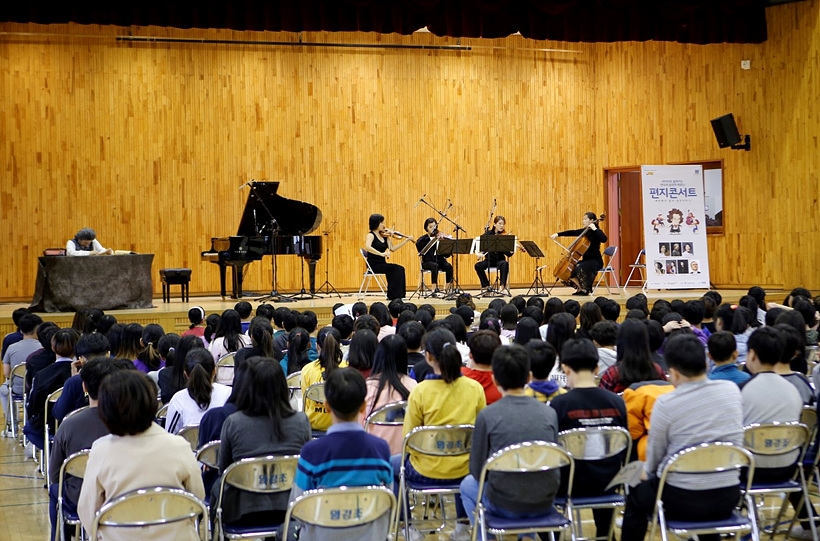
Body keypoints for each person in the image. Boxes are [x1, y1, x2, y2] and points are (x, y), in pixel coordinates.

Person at [621, 334, 743, 541]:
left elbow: (653, 463)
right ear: (706, 361)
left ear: (673, 373)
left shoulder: (666, 403)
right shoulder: (731, 391)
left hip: (682, 499)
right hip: (729, 495)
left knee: (633, 489)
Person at [77, 370, 206, 541]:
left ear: (106, 411)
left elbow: (88, 511)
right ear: (152, 404)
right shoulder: (179, 446)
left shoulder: (101, 451)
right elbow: (197, 499)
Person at [460, 344, 561, 540]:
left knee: (467, 485)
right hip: (545, 500)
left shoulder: (488, 415)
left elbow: (477, 471)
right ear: (528, 378)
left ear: (494, 378)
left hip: (504, 503)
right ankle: (526, 534)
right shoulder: (549, 413)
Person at [397, 328, 486, 541]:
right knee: (462, 458)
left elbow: (408, 439)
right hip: (466, 470)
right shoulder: (475, 388)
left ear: (428, 356)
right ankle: (463, 526)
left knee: (392, 466)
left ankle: (407, 527)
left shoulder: (420, 391)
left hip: (424, 471)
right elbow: (482, 434)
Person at [289, 368, 393, 541]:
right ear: (363, 406)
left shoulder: (312, 453)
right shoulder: (381, 450)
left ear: (327, 406)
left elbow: (298, 508)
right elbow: (387, 501)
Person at [216, 357, 311, 527]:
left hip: (243, 511)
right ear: (283, 386)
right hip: (291, 507)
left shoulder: (233, 422)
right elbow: (307, 468)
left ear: (246, 388)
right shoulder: (301, 421)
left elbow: (224, 471)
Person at [48, 358, 134, 541]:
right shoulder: (133, 423)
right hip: (124, 493)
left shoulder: (69, 424)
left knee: (55, 490)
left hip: (79, 497)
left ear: (84, 387)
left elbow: (55, 474)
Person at [550, 338, 628, 540]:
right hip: (609, 482)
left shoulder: (559, 404)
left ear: (565, 368)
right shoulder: (617, 402)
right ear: (596, 368)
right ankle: (606, 533)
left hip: (569, 485)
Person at [362, 334, 417, 454]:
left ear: (378, 356)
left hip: (374, 457)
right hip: (405, 458)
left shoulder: (368, 387)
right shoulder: (413, 386)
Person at [165, 348, 231, 433]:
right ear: (214, 371)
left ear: (185, 374)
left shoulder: (178, 400)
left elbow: (170, 437)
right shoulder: (229, 394)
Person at [301, 327, 347, 433]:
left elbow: (306, 403)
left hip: (313, 430)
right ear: (339, 345)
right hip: (341, 428)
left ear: (317, 346)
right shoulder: (349, 369)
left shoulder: (307, 370)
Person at [2, 313, 43, 431]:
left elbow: (6, 373)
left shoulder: (12, 347)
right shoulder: (43, 347)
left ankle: (11, 425)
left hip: (18, 388)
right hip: (37, 388)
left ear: (21, 331)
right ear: (38, 329)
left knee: (3, 391)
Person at [550, 212, 607, 296]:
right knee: (571, 268)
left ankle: (584, 289)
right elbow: (572, 232)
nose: (583, 221)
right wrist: (558, 234)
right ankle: (581, 288)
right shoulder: (585, 231)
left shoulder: (597, 232)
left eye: (585, 219)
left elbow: (604, 239)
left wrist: (595, 229)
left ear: (591, 220)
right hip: (586, 260)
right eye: (583, 219)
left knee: (578, 266)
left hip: (595, 261)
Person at [363, 213, 414, 301]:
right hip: (374, 265)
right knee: (394, 269)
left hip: (382, 264)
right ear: (376, 223)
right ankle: (394, 296)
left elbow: (392, 248)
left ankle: (400, 295)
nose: (384, 225)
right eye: (381, 223)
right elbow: (367, 247)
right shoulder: (371, 235)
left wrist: (405, 241)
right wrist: (381, 254)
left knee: (400, 268)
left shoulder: (385, 236)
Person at [475, 215, 514, 292]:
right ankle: (486, 286)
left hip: (499, 261)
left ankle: (502, 287)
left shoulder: (504, 236)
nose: (502, 226)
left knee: (505, 264)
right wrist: (478, 253)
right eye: (499, 223)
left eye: (503, 224)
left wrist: (511, 249)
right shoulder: (488, 234)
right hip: (489, 260)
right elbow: (479, 243)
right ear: (495, 224)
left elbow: (508, 254)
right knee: (478, 265)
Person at [416, 218, 454, 293]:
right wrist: (431, 240)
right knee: (434, 266)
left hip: (439, 261)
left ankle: (447, 288)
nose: (432, 229)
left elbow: (446, 255)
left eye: (434, 226)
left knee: (448, 266)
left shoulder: (439, 237)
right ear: (426, 228)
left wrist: (445, 243)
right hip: (427, 262)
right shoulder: (423, 239)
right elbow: (419, 246)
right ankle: (434, 288)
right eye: (430, 227)